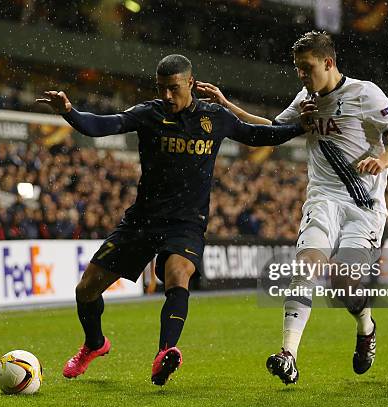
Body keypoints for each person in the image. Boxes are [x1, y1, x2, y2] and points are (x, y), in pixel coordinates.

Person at [36, 54, 306, 386]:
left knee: (178, 275)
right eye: (162, 88)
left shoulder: (214, 116)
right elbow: (104, 125)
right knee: (86, 290)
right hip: (142, 220)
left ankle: (165, 353)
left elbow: (259, 136)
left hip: (186, 223)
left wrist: (303, 126)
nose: (167, 96)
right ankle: (94, 344)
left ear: (190, 83)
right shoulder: (150, 113)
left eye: (173, 88)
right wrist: (69, 112)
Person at [196, 31, 388, 384]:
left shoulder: (365, 93)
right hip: (323, 199)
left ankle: (366, 325)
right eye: (297, 68)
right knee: (306, 266)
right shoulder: (304, 99)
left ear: (328, 63)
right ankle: (289, 355)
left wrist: (383, 161)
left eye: (306, 67)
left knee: (345, 282)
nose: (301, 74)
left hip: (364, 205)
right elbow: (269, 130)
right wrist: (226, 104)